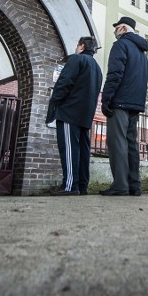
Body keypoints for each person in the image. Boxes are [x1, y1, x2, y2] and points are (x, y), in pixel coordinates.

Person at [100, 16, 148, 196]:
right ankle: (133, 185)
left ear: (124, 29)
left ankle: (120, 185)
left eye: (117, 27)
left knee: (116, 142)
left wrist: (106, 99)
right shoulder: (142, 53)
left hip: (120, 101)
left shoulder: (120, 45)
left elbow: (115, 74)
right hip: (135, 104)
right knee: (130, 144)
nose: (115, 31)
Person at [48, 36, 103, 196]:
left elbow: (64, 82)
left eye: (77, 44)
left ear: (82, 46)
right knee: (82, 151)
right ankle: (81, 186)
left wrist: (56, 102)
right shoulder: (97, 68)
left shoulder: (76, 60)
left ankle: (70, 186)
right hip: (86, 115)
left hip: (69, 112)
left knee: (69, 149)